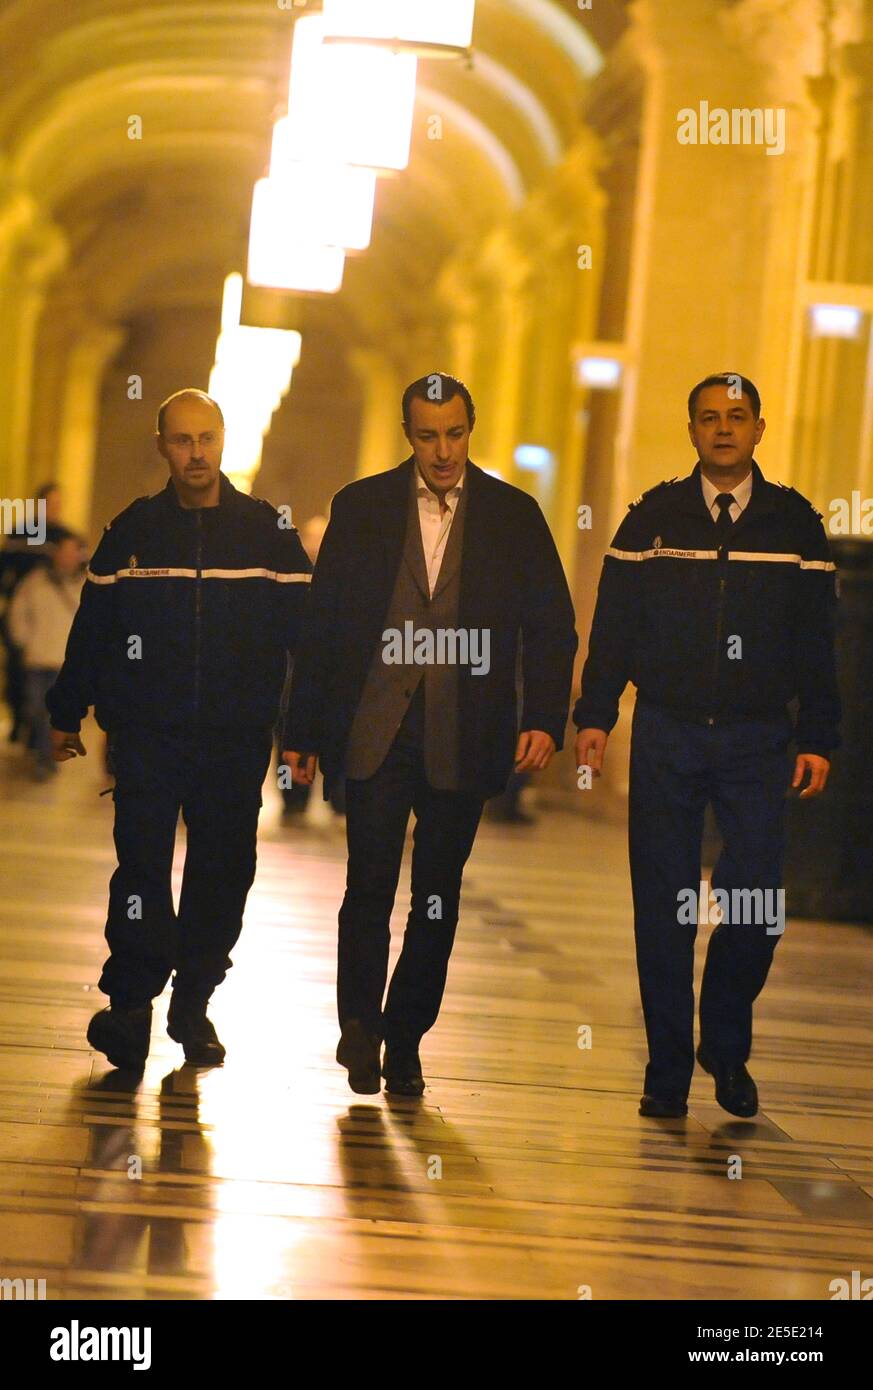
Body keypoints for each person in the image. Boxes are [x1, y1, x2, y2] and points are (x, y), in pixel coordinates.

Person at [283, 372, 578, 1096]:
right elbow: (321, 626)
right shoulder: (362, 507)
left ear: (468, 429)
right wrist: (303, 730)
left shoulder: (513, 514)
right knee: (367, 885)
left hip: (466, 731)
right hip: (377, 728)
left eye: (453, 433)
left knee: (437, 894)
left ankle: (405, 1033)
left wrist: (542, 716)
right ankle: (359, 1028)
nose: (442, 450)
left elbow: (551, 624)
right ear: (407, 434)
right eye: (426, 435)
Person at [574, 372, 841, 1119]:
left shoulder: (795, 527)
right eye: (707, 418)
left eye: (735, 417)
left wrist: (818, 734)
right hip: (667, 731)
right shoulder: (651, 520)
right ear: (690, 431)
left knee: (754, 903)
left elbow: (819, 644)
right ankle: (666, 1073)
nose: (721, 429)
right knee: (663, 907)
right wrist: (594, 714)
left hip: (759, 740)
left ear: (759, 428)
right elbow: (613, 628)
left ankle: (722, 1041)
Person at [47, 389, 312, 1072]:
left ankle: (193, 996)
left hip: (233, 738)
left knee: (223, 871)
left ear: (223, 441)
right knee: (139, 870)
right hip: (146, 736)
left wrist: (306, 730)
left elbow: (307, 641)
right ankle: (132, 1004)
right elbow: (93, 629)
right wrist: (65, 711)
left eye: (207, 439)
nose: (196, 454)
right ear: (163, 446)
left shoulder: (266, 534)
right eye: (182, 440)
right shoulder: (133, 532)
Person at [7, 529, 85, 779]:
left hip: (66, 663)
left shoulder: (86, 584)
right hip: (38, 657)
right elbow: (18, 612)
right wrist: (23, 640)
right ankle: (44, 753)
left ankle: (45, 756)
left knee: (52, 713)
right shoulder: (36, 580)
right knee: (35, 709)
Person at [1, 482, 67, 742]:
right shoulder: (20, 534)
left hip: (50, 619)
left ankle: (35, 734)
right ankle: (20, 719)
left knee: (44, 678)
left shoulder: (65, 537)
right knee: (18, 672)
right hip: (20, 614)